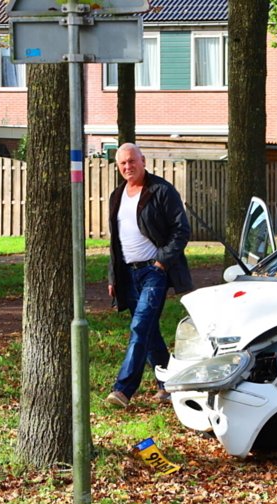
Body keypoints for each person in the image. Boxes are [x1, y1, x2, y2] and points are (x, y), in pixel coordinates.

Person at [105, 143, 193, 408]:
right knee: (150, 330)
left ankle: (123, 390)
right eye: (123, 163)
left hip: (153, 272)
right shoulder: (117, 195)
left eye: (132, 161)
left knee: (140, 326)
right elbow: (115, 241)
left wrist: (161, 264)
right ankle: (169, 384)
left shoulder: (161, 190)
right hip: (127, 273)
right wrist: (113, 277)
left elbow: (181, 230)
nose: (128, 167)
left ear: (142, 160)